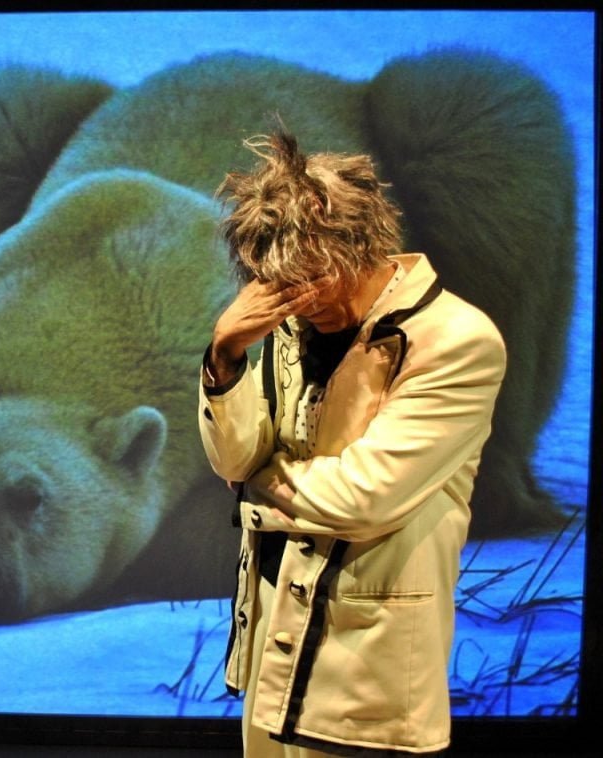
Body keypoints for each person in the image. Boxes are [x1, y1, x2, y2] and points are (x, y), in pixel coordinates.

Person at [198, 130, 506, 757]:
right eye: (284, 284)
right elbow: (232, 456)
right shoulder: (289, 327)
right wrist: (225, 354)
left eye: (314, 278)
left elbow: (362, 497)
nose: (300, 301)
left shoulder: (456, 341)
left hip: (366, 659)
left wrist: (258, 485)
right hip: (272, 646)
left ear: (360, 245)